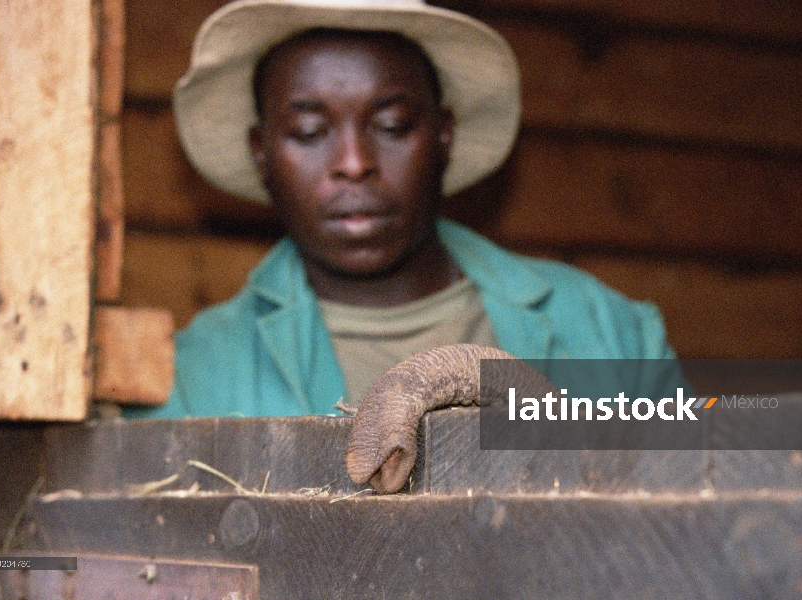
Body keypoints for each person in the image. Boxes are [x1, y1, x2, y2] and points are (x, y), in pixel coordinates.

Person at [126, 0, 681, 419]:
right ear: (261, 152)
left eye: (392, 126)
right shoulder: (192, 379)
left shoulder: (612, 334)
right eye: (308, 131)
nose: (353, 162)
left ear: (443, 137)